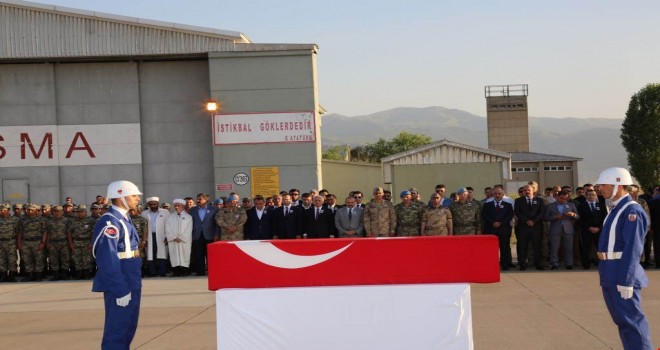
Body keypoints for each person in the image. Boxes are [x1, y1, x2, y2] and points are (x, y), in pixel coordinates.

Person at [595, 167, 653, 350]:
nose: (599, 188)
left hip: (622, 273)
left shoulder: (631, 211)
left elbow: (633, 249)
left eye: (604, 184)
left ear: (618, 185)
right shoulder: (615, 209)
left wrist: (626, 281)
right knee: (623, 322)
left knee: (632, 321)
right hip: (611, 272)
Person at [92, 180, 143, 350]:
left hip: (131, 279)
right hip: (121, 283)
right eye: (134, 195)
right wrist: (119, 289)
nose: (137, 198)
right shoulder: (110, 222)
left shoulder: (124, 218)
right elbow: (108, 260)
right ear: (121, 196)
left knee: (128, 327)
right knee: (117, 330)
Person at [544, 190, 579, 270]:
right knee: (554, 247)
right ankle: (554, 264)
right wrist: (555, 217)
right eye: (561, 198)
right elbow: (545, 217)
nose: (563, 200)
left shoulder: (571, 205)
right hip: (555, 229)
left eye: (565, 199)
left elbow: (577, 216)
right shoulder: (550, 206)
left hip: (568, 229)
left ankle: (569, 263)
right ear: (556, 197)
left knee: (569, 247)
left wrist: (573, 215)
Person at [514, 185, 546, 271]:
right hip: (523, 227)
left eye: (528, 190)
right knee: (522, 246)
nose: (527, 191)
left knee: (537, 246)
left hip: (536, 227)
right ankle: (522, 264)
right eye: (525, 190)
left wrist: (533, 221)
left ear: (533, 191)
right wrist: (527, 221)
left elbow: (541, 212)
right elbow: (517, 212)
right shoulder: (518, 201)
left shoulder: (539, 200)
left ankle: (538, 264)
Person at [482, 188, 514, 270]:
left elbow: (509, 216)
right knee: (490, 249)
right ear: (493, 195)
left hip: (503, 230)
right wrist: (493, 222)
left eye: (499, 193)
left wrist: (500, 223)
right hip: (490, 229)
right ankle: (491, 265)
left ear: (502, 195)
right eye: (495, 194)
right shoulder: (487, 205)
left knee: (504, 248)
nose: (497, 195)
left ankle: (505, 265)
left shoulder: (508, 205)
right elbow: (484, 215)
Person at [190, 193, 219, 276]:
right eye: (197, 199)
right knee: (199, 254)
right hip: (197, 235)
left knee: (210, 255)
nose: (198, 200)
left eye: (200, 199)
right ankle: (200, 272)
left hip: (210, 235)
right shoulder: (193, 210)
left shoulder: (214, 209)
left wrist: (216, 234)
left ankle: (211, 271)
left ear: (206, 200)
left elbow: (217, 224)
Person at [576, 189, 606, 269]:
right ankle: (586, 264)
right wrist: (589, 227)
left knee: (600, 248)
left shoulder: (601, 205)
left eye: (593, 194)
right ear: (585, 196)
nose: (591, 196)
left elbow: (605, 218)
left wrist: (599, 228)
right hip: (586, 230)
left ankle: (602, 264)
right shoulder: (581, 205)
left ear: (596, 196)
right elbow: (580, 219)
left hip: (599, 230)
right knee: (586, 248)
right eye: (589, 194)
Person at [141, 197, 169, 277]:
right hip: (149, 236)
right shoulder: (144, 213)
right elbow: (143, 227)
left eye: (154, 204)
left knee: (162, 253)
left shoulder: (165, 212)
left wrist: (167, 236)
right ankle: (152, 272)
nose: (153, 205)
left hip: (162, 235)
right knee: (151, 254)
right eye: (151, 204)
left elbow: (168, 224)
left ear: (158, 204)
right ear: (148, 205)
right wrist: (144, 239)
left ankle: (162, 271)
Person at [165, 199, 193, 277]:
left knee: (185, 255)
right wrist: (173, 237)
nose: (177, 207)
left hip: (184, 241)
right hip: (173, 240)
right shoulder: (170, 217)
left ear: (183, 206)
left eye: (178, 205)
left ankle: (185, 271)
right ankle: (176, 272)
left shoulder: (188, 217)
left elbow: (189, 229)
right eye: (175, 205)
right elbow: (167, 229)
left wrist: (181, 237)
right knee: (174, 255)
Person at [68, 205, 95, 279]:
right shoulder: (73, 221)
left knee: (86, 259)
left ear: (85, 212)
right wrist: (71, 243)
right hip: (76, 242)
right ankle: (79, 275)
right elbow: (69, 232)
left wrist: (91, 243)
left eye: (81, 212)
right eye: (78, 212)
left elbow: (92, 233)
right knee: (77, 259)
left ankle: (86, 274)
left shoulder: (90, 220)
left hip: (86, 242)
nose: (80, 213)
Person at [45, 205, 72, 281]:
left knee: (65, 259)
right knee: (53, 260)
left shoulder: (67, 221)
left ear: (62, 212)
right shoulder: (49, 221)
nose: (57, 213)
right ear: (52, 212)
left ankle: (65, 275)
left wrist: (70, 243)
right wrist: (47, 243)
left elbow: (69, 233)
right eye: (55, 211)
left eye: (58, 211)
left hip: (64, 242)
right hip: (53, 243)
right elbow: (47, 233)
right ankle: (55, 275)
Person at [0, 203, 19, 282]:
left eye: (3, 210)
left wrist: (18, 242)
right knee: (1, 260)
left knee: (12, 259)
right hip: (1, 242)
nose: (1, 211)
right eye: (0, 210)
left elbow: (18, 231)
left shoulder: (15, 219)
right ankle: (2, 275)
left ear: (8, 210)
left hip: (11, 241)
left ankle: (12, 275)